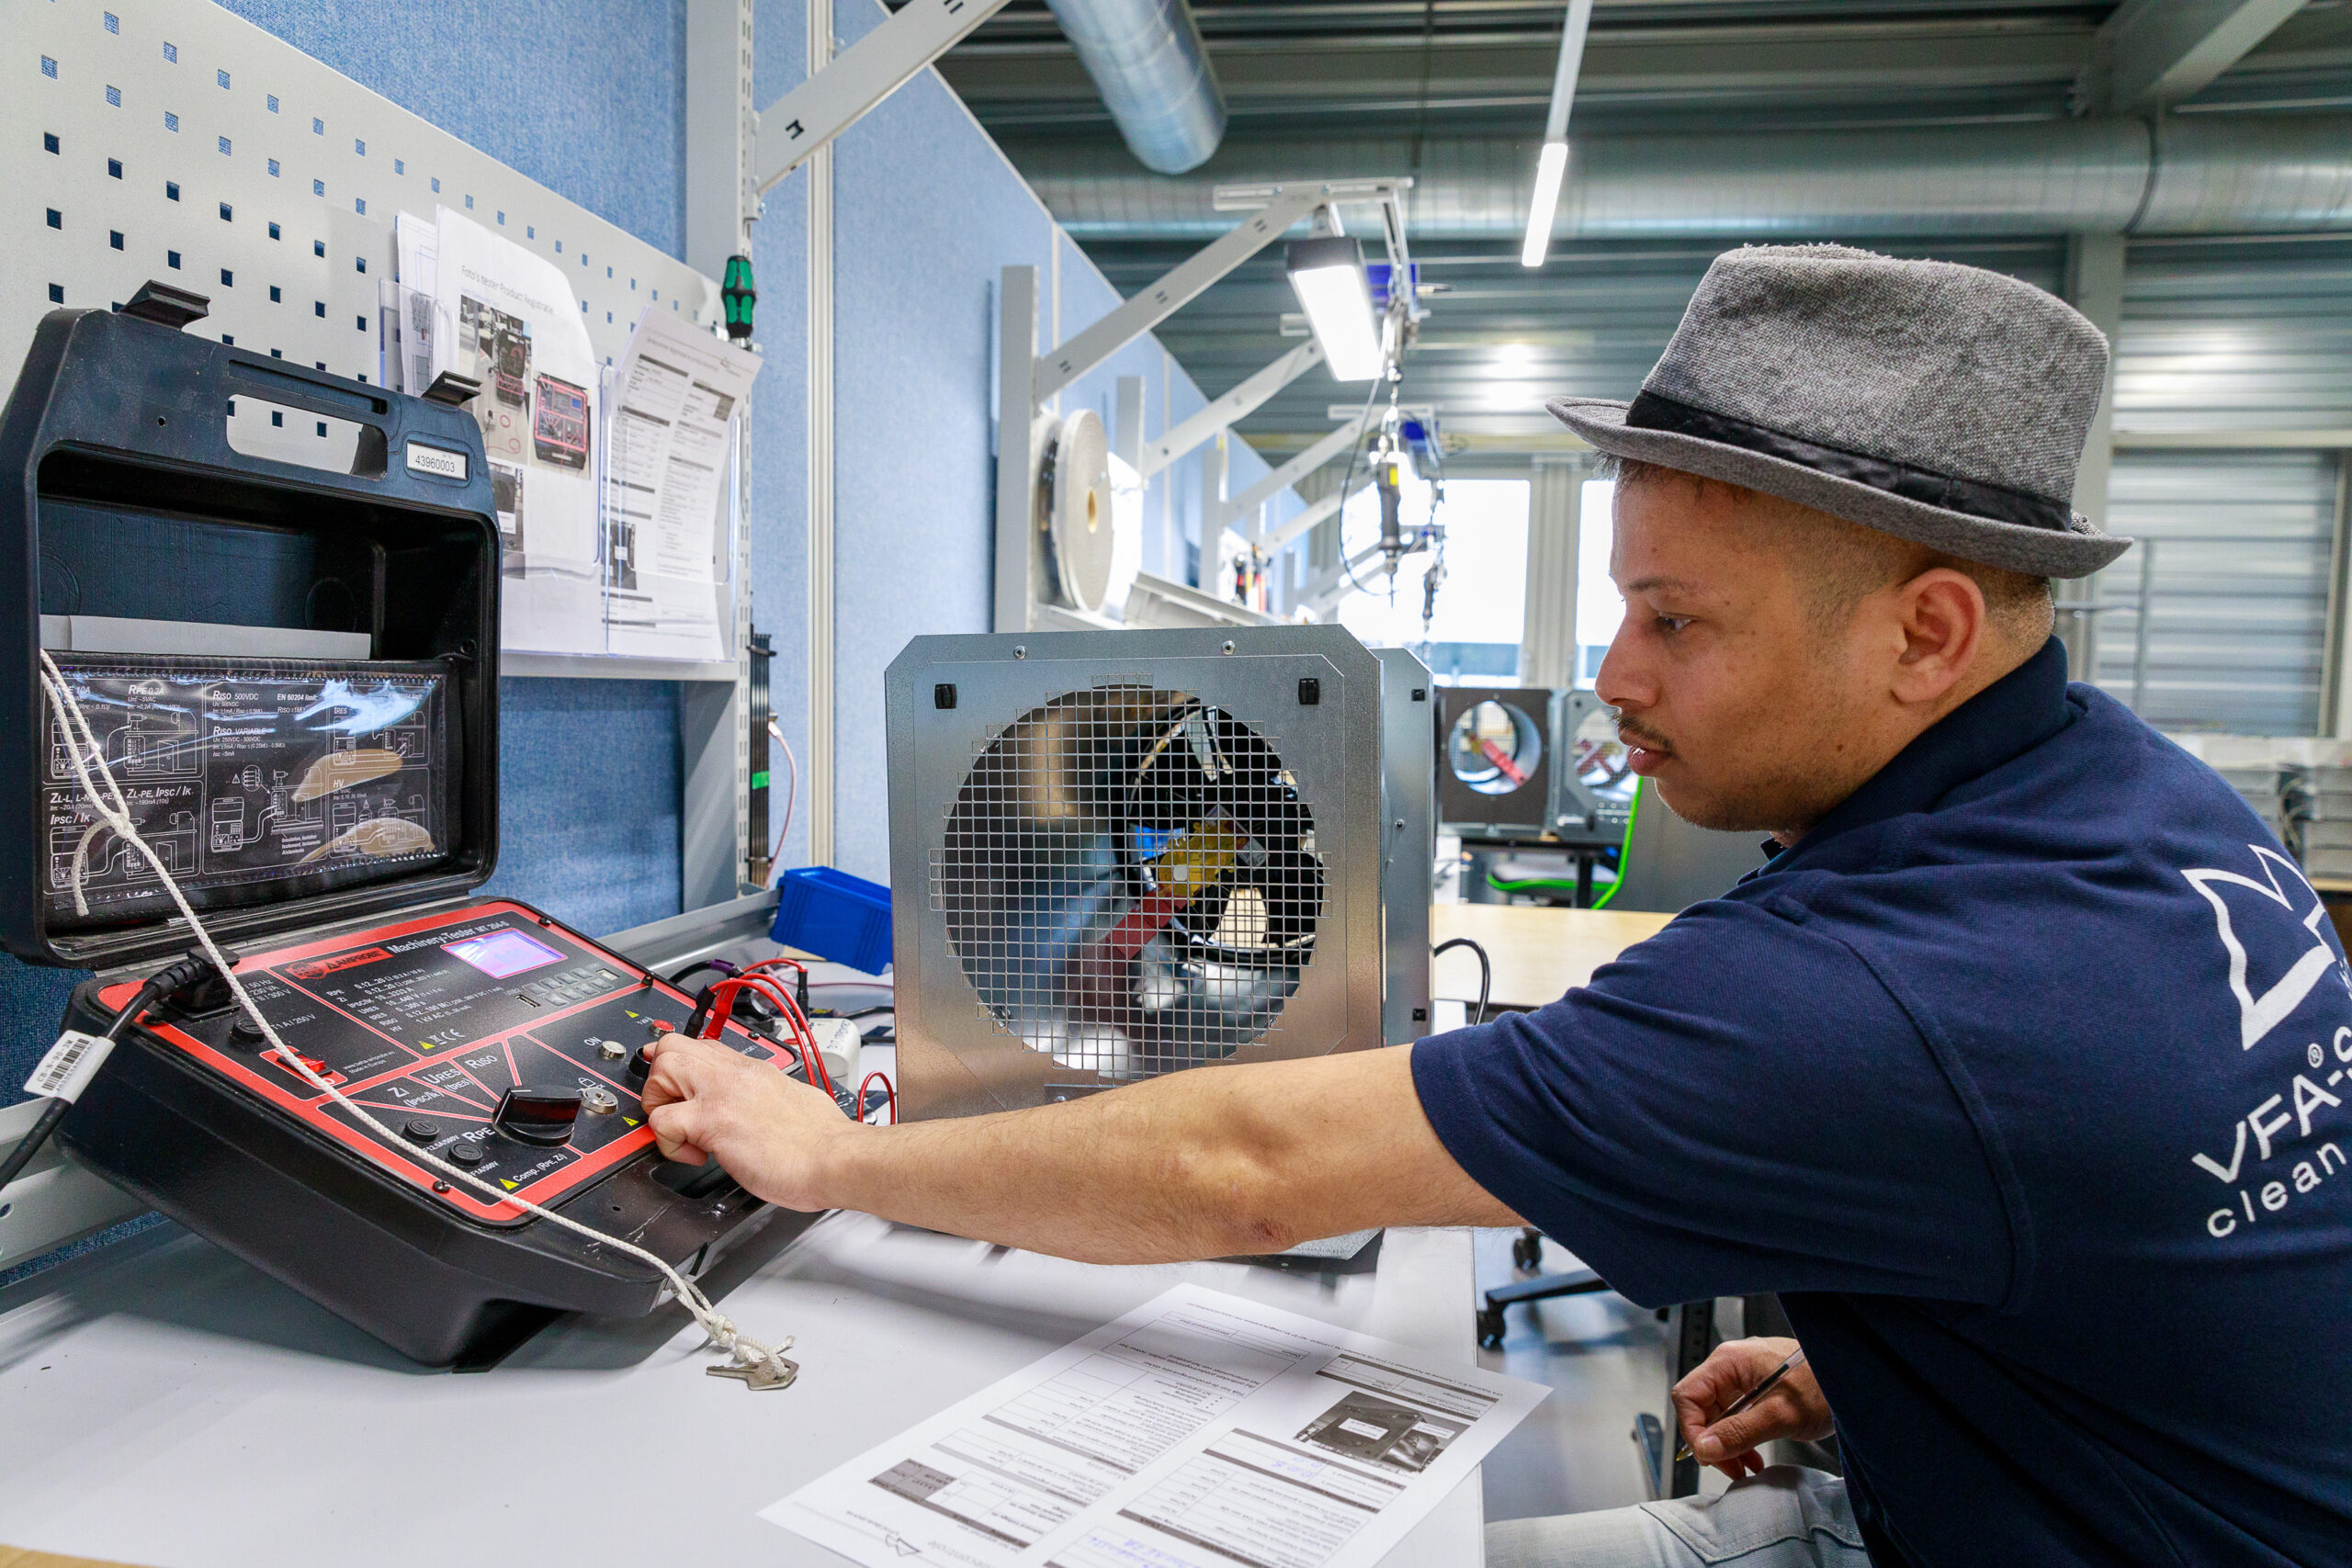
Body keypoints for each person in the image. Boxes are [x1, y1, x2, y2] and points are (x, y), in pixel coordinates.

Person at [642, 246, 2352, 1567]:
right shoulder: (2146, 803)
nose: (1613, 677)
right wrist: (1929, 1368)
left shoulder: (1885, 993)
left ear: (1928, 635)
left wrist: (832, 1157)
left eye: (1676, 621)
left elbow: (1249, 1168)